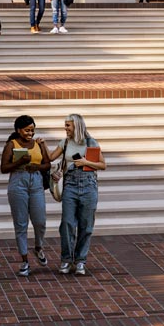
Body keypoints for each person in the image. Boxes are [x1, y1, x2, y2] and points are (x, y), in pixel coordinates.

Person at [0, 115, 52, 277]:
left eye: (32, 130)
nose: (30, 133)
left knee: (40, 221)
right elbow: (4, 167)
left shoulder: (38, 144)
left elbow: (47, 164)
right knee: (21, 224)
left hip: (36, 181)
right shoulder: (12, 144)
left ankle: (38, 247)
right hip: (18, 182)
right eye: (27, 130)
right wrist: (20, 161)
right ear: (18, 130)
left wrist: (37, 166)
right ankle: (24, 260)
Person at [56, 113, 105, 277]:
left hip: (89, 185)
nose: (65, 128)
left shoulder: (91, 143)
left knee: (86, 225)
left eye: (68, 125)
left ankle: (80, 261)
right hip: (70, 184)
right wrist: (39, 146)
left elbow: (102, 165)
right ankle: (66, 259)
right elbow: (50, 157)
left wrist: (86, 162)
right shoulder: (64, 143)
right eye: (65, 125)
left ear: (77, 126)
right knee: (67, 223)